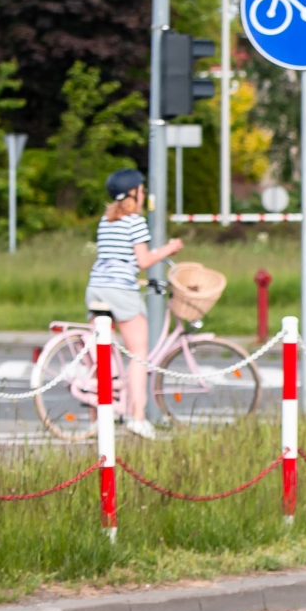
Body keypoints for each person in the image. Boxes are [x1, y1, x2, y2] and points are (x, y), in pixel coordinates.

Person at [87, 168, 182, 439]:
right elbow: (142, 261)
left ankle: (96, 417)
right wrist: (170, 248)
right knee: (139, 354)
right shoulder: (135, 222)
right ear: (134, 194)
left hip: (96, 288)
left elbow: (114, 260)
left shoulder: (105, 221)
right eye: (142, 190)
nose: (144, 194)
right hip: (120, 290)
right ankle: (137, 417)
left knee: (101, 354)